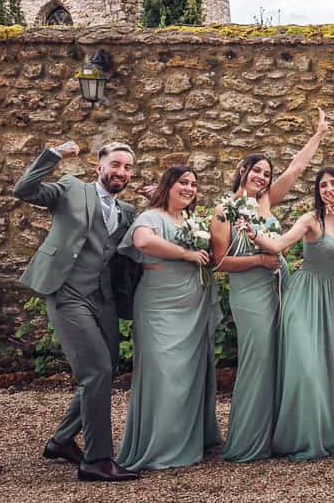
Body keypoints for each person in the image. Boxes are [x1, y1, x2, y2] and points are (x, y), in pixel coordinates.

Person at [13, 140, 141, 482]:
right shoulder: (71, 189)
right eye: (115, 164)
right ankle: (97, 460)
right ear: (99, 167)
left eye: (127, 167)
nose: (121, 172)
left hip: (104, 299)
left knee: (107, 368)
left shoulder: (127, 211)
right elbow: (24, 190)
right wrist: (53, 154)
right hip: (67, 292)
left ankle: (61, 440)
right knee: (97, 371)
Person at [211, 109, 330, 462]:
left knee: (282, 356)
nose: (262, 177)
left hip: (281, 287)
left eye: (266, 173)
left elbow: (296, 168)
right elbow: (219, 262)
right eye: (257, 171)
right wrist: (260, 261)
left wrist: (318, 135)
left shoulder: (266, 201)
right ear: (242, 171)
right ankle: (248, 442)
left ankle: (278, 434)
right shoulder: (223, 210)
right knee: (258, 359)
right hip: (249, 292)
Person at [251, 167, 334, 459]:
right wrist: (253, 234)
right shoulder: (311, 220)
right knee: (308, 369)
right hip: (303, 299)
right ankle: (302, 436)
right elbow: (279, 245)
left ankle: (333, 429)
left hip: (331, 302)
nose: (329, 189)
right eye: (323, 185)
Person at [116, 166, 220, 471]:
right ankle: (159, 446)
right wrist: (186, 254)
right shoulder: (151, 216)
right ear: (168, 185)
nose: (189, 188)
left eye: (193, 184)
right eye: (183, 182)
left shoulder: (191, 220)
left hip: (193, 308)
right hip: (159, 307)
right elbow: (143, 242)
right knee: (163, 373)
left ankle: (187, 440)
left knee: (188, 374)